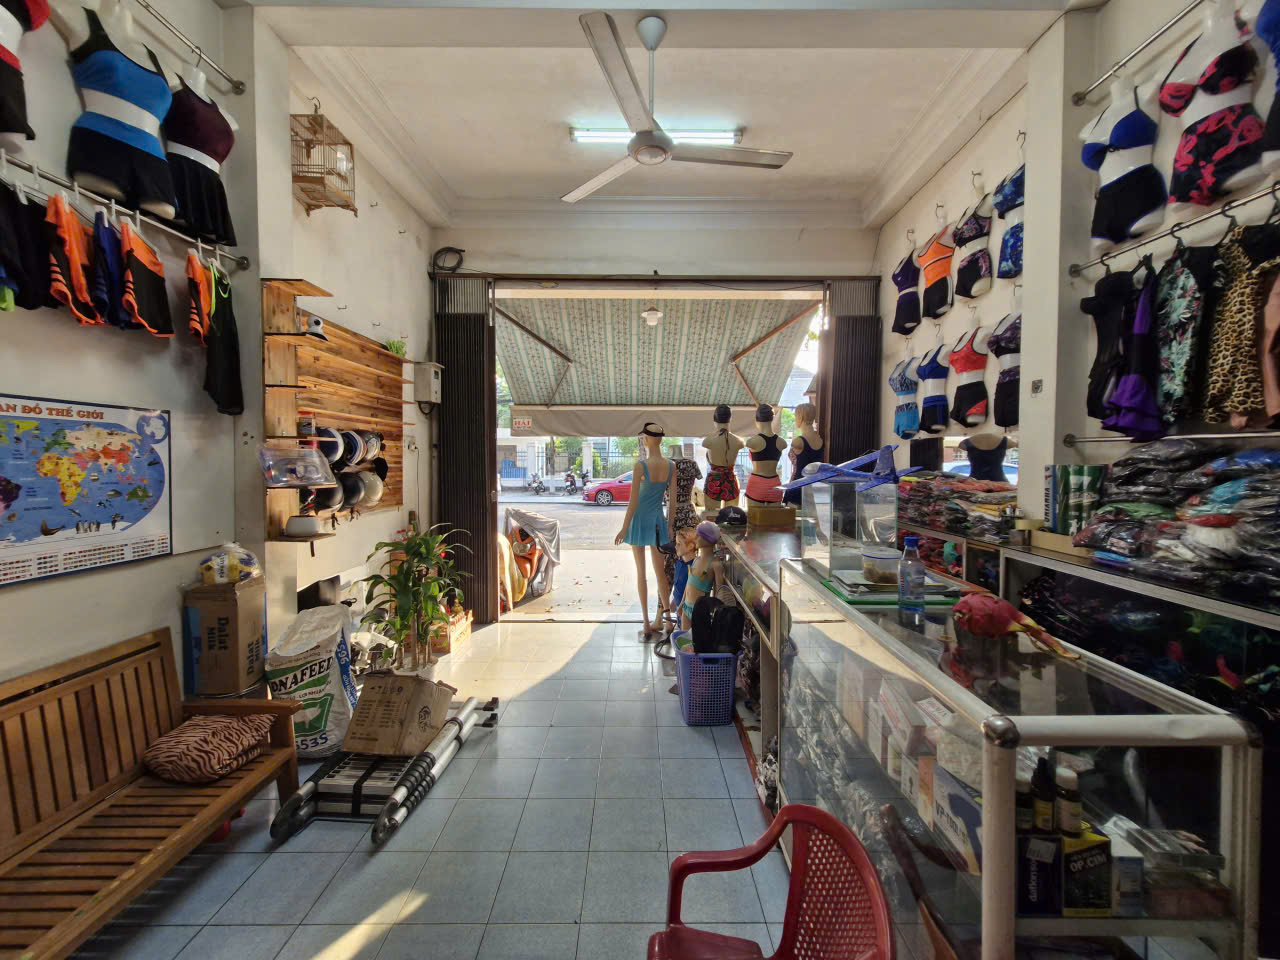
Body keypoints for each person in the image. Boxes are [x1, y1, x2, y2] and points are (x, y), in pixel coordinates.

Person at [614, 422, 675, 637]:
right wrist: (670, 526)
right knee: (661, 574)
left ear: (647, 440)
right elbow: (672, 502)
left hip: (639, 520)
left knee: (641, 574)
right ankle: (668, 621)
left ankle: (647, 624)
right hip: (658, 521)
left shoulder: (641, 466)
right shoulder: (671, 466)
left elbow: (633, 502)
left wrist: (624, 528)